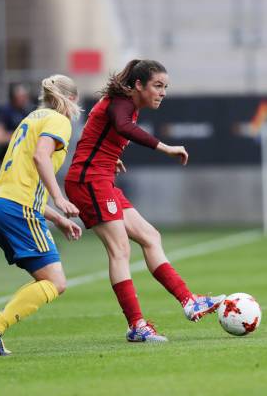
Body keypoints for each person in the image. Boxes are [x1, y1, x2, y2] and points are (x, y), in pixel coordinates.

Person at [65, 59, 225, 343]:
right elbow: (123, 127)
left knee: (151, 236)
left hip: (100, 178)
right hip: (88, 181)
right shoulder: (121, 102)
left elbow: (99, 135)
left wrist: (111, 157)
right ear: (138, 85)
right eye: (157, 86)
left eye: (165, 87)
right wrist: (166, 147)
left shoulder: (125, 103)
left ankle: (189, 301)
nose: (162, 92)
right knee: (120, 250)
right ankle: (137, 325)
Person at [0, 75, 83, 356]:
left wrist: (57, 217)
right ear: (71, 100)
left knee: (47, 279)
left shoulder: (31, 118)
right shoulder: (60, 121)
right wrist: (59, 197)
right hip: (17, 209)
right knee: (56, 283)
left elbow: (24, 181)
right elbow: (41, 157)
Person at [0, 83, 35, 163]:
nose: (24, 99)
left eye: (25, 96)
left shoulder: (29, 111)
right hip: (6, 158)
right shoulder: (6, 111)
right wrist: (20, 136)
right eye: (21, 96)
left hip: (24, 159)